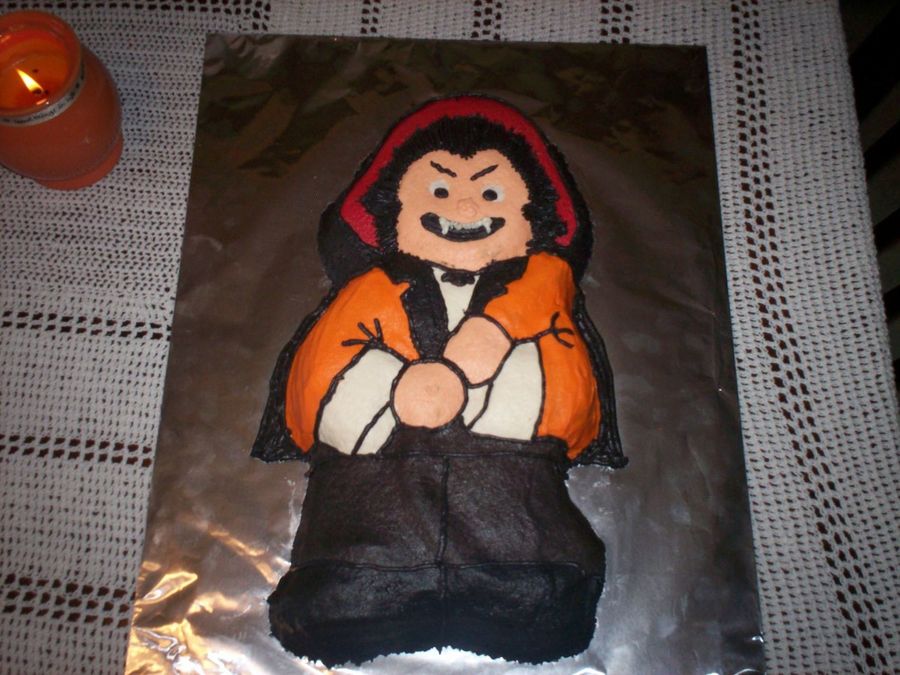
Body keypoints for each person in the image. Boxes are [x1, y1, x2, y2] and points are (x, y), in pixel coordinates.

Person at [252, 95, 626, 666]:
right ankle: (349, 581)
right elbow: (318, 378)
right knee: (351, 572)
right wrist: (394, 388)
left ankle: (523, 581)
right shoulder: (368, 292)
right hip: (372, 493)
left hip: (516, 488)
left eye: (492, 191)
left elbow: (573, 396)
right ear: (392, 212)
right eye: (440, 188)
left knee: (533, 577)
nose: (466, 205)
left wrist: (500, 347)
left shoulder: (542, 292)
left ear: (535, 218)